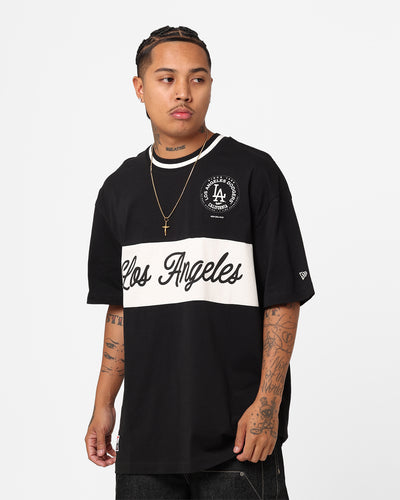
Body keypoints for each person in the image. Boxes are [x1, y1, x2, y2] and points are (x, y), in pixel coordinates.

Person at [84, 25, 315, 500]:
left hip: (237, 443)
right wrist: (103, 404)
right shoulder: (118, 189)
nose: (183, 93)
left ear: (211, 84)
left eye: (198, 78)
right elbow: (120, 310)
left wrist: (267, 404)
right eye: (167, 79)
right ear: (140, 88)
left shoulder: (253, 172)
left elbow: (283, 300)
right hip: (144, 446)